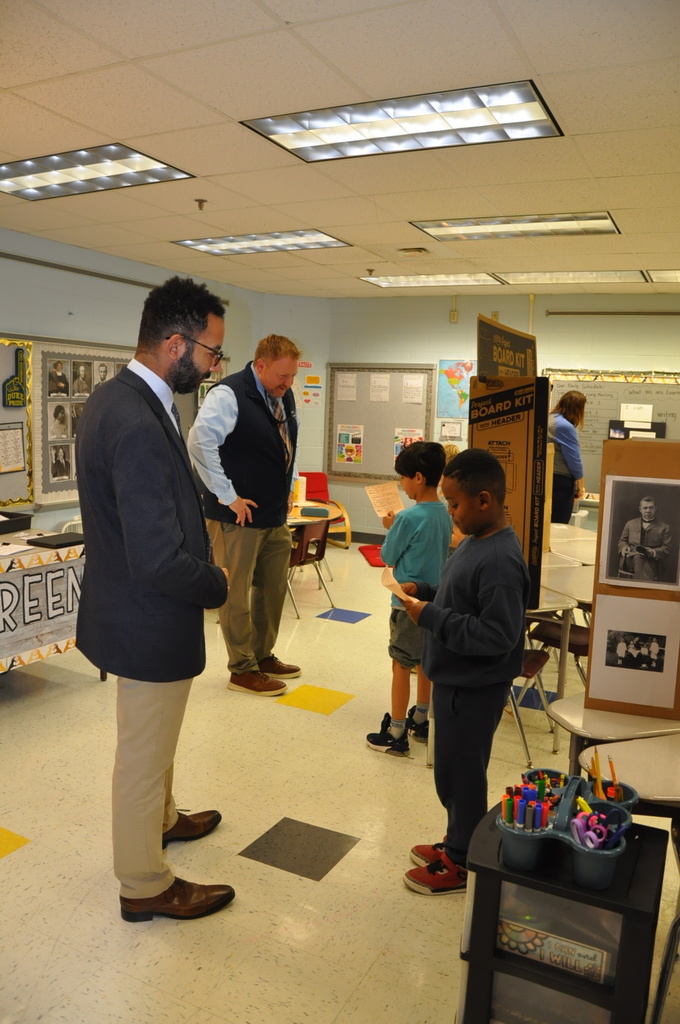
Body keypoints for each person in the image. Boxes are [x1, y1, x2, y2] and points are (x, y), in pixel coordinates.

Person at [75, 275, 235, 923]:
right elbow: (159, 557)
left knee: (153, 742)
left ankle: (164, 821)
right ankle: (143, 884)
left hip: (132, 612)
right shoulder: (136, 421)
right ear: (176, 344)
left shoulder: (120, 402)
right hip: (148, 618)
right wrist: (218, 583)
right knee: (142, 756)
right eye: (212, 352)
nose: (215, 365)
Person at [398, 448, 530, 895]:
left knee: (464, 775)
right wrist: (428, 592)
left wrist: (430, 617)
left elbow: (498, 634)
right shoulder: (475, 542)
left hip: (473, 687)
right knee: (451, 773)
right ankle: (458, 840)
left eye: (455, 505)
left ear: (485, 501)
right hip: (454, 679)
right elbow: (460, 595)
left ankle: (462, 862)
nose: (450, 512)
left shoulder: (500, 560)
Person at [188, 334, 301, 697]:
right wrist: (228, 496)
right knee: (235, 594)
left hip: (273, 514)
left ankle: (262, 656)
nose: (289, 383)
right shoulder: (228, 394)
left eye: (293, 376)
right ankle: (241, 669)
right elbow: (199, 443)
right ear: (261, 364)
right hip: (236, 516)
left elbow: (287, 445)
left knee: (272, 588)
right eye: (283, 375)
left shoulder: (283, 396)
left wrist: (288, 490)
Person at [366, 442, 452, 756]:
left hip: (406, 601)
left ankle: (397, 730)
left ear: (417, 477)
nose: (402, 485)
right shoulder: (444, 512)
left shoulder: (407, 517)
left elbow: (388, 555)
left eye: (403, 479)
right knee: (424, 662)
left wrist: (391, 527)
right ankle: (421, 717)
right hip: (435, 600)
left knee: (401, 664)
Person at [548, 390, 587, 523]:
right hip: (560, 482)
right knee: (559, 524)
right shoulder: (564, 426)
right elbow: (574, 461)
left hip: (544, 478)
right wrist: (580, 487)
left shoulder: (548, 419)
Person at [618, 495, 671, 581]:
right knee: (638, 558)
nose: (648, 510)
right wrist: (624, 547)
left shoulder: (664, 527)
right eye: (645, 508)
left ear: (655, 509)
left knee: (643, 564)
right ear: (640, 509)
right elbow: (622, 541)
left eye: (651, 508)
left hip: (652, 561)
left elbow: (667, 549)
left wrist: (653, 552)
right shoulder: (630, 524)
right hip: (630, 560)